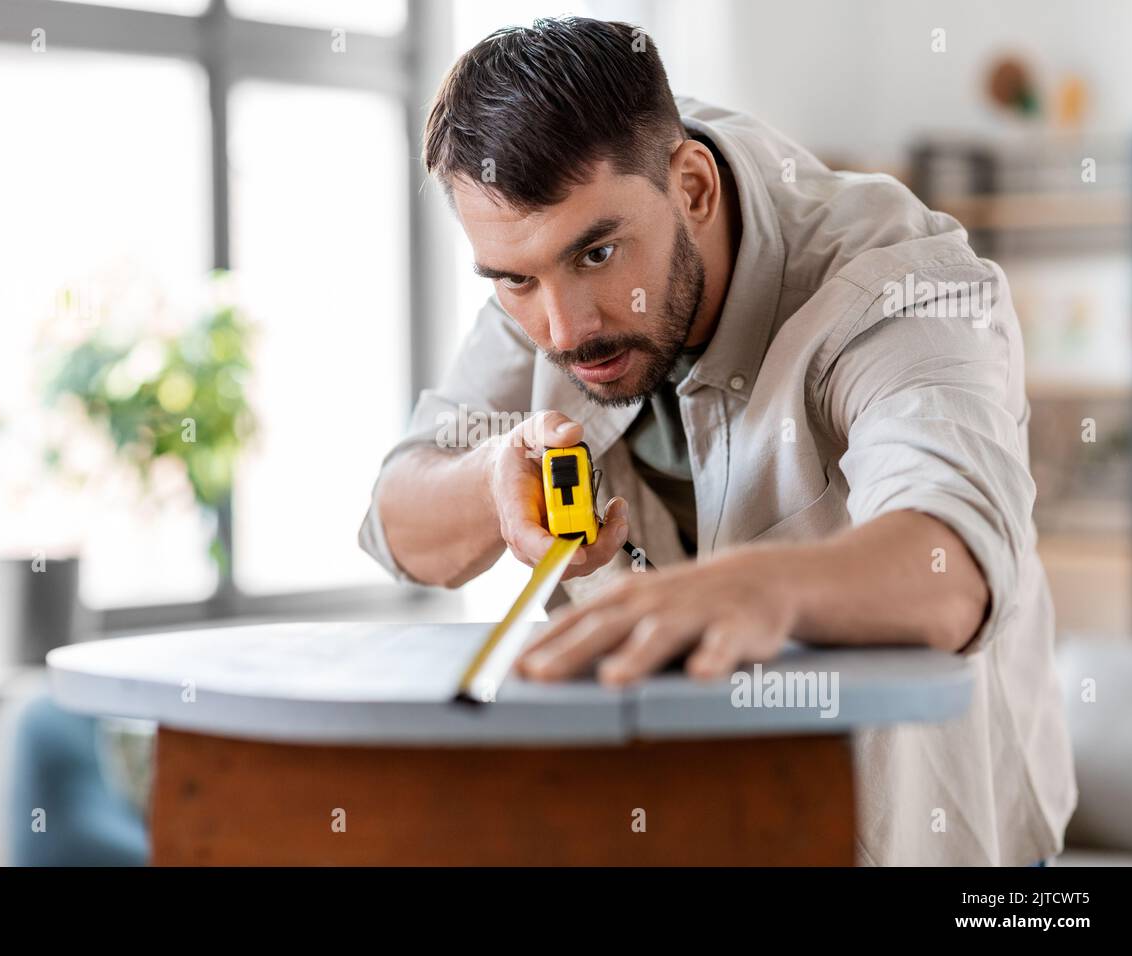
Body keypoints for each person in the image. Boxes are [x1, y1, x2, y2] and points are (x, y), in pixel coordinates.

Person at [357, 17, 1076, 866]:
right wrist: (488, 485)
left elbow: (954, 566)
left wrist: (746, 590)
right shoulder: (550, 267)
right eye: (514, 280)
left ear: (692, 189)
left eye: (598, 255)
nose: (562, 328)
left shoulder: (895, 279)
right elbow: (398, 523)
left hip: (935, 835)